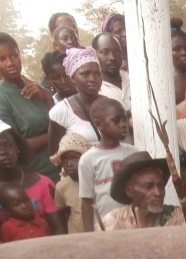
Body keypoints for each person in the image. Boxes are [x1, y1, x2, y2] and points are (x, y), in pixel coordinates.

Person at [0, 31, 58, 183]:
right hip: (38, 178)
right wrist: (56, 133)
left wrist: (48, 98)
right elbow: (16, 146)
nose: (10, 62)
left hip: (65, 169)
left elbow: (63, 120)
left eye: (13, 55)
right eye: (1, 59)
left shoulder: (38, 89)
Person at [0, 114, 64, 235]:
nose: (4, 152)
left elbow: (59, 228)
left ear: (17, 147)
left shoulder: (43, 183)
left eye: (8, 145)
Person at [78, 97, 137, 231]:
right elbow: (87, 201)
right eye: (116, 120)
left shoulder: (133, 152)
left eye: (125, 119)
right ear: (99, 124)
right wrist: (88, 235)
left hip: (133, 224)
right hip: (104, 227)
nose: (123, 124)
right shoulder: (88, 159)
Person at [48, 47, 103, 155]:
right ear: (73, 78)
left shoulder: (112, 106)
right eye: (85, 74)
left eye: (97, 74)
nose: (92, 79)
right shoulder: (61, 112)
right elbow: (56, 156)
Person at [50, 132, 91, 234]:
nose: (69, 163)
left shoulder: (95, 180)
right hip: (76, 236)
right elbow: (64, 213)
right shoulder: (61, 186)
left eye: (74, 158)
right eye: (65, 159)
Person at [93, 33, 131, 113]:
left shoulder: (133, 80)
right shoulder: (94, 90)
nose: (112, 57)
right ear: (95, 55)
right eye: (105, 52)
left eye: (117, 52)